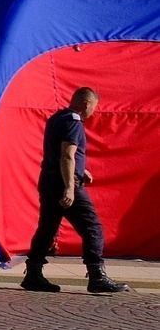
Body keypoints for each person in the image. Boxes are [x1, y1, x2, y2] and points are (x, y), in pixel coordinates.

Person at [23, 87, 128, 294]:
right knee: (93, 228)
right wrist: (70, 187)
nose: (93, 113)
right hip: (64, 185)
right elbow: (67, 155)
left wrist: (82, 169)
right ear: (87, 104)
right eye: (94, 108)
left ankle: (33, 274)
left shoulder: (57, 118)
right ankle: (97, 275)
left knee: (47, 229)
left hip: (49, 182)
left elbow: (59, 153)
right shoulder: (73, 122)